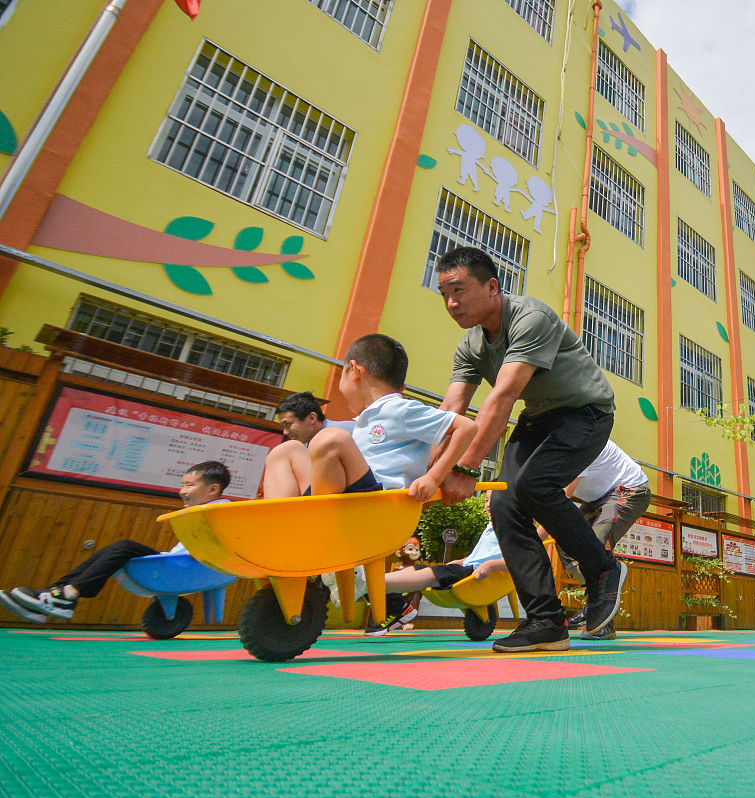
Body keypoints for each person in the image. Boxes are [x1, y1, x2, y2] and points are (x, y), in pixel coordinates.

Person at [433, 246, 626, 653]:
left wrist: (466, 469)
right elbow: (450, 412)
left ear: (491, 286)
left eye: (459, 290)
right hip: (539, 417)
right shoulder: (470, 346)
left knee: (533, 486)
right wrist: (430, 471)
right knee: (504, 504)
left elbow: (502, 397)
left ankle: (603, 570)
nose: (451, 303)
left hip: (586, 412)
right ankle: (546, 621)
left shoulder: (530, 318)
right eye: (444, 294)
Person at [0, 461, 231, 624]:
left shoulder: (220, 509)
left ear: (212, 489)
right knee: (112, 551)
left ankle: (65, 596)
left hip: (191, 566)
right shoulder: (198, 512)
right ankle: (56, 595)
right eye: (183, 484)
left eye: (190, 485)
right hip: (177, 563)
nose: (182, 491)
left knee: (124, 547)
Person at [262, 334, 477, 503]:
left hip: (376, 501)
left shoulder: (398, 408)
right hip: (349, 495)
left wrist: (433, 478)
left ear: (354, 370)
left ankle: (319, 525)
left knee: (330, 440)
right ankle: (284, 528)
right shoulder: (368, 417)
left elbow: (466, 427)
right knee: (287, 450)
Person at [556, 440, 651, 640]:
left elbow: (561, 499)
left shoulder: (577, 440)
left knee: (596, 544)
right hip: (598, 498)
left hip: (629, 488)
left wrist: (535, 537)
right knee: (565, 541)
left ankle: (600, 616)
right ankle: (595, 601)